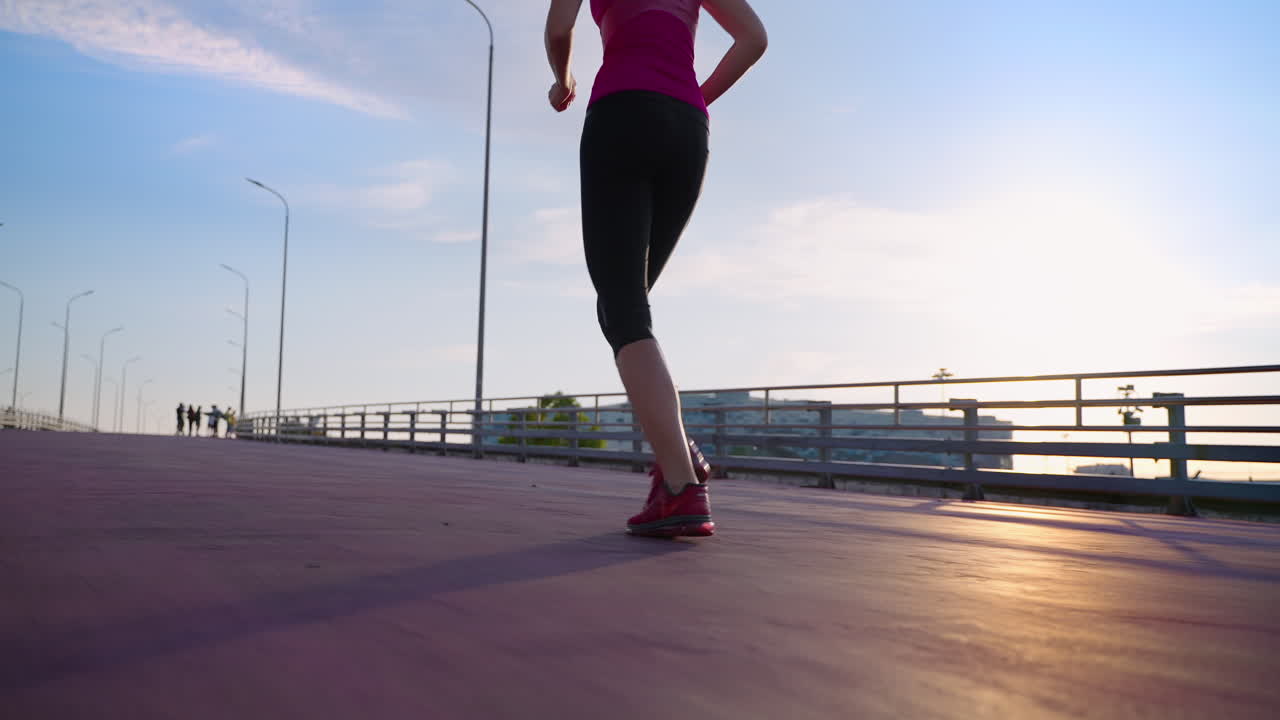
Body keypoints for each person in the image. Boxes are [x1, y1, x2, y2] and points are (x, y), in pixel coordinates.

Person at [544, 0, 766, 536]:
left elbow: (558, 29)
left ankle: (680, 484)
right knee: (627, 303)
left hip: (621, 113)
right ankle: (677, 460)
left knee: (622, 309)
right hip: (687, 129)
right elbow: (753, 39)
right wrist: (696, 95)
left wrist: (563, 79)